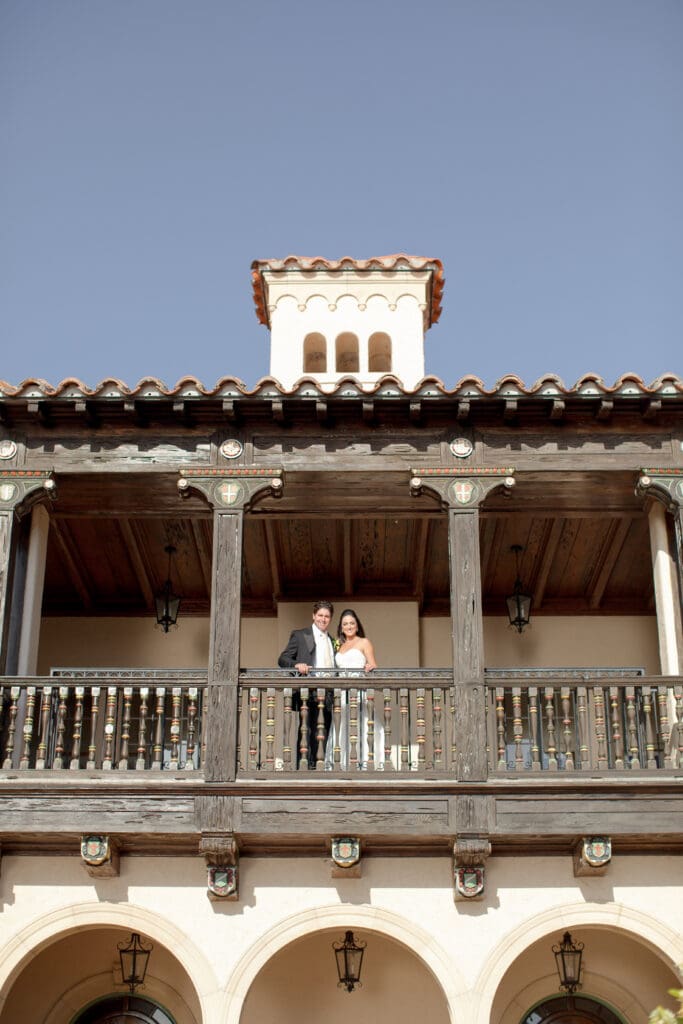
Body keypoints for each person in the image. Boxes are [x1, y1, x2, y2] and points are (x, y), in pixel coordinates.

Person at [278, 600, 335, 767]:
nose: (323, 619)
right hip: (308, 693)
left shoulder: (332, 640)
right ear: (313, 616)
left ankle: (319, 767)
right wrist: (296, 665)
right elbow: (283, 659)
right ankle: (303, 769)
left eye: (326, 616)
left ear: (330, 619)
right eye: (320, 615)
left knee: (324, 733)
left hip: (329, 694)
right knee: (306, 732)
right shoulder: (301, 635)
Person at [325, 609, 379, 770]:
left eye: (352, 623)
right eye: (345, 624)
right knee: (341, 727)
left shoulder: (364, 642)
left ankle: (362, 764)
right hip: (341, 694)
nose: (349, 626)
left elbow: (374, 665)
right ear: (341, 628)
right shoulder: (338, 645)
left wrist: (369, 667)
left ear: (357, 626)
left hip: (358, 689)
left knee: (360, 724)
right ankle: (341, 764)